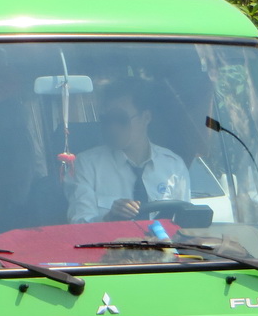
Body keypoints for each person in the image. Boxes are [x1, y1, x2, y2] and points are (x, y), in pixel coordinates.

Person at [66, 81, 190, 224]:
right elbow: (78, 227)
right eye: (106, 120)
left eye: (121, 119)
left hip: (163, 245)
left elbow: (183, 226)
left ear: (146, 118)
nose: (112, 128)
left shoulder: (173, 166)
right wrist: (109, 219)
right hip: (108, 246)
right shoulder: (86, 165)